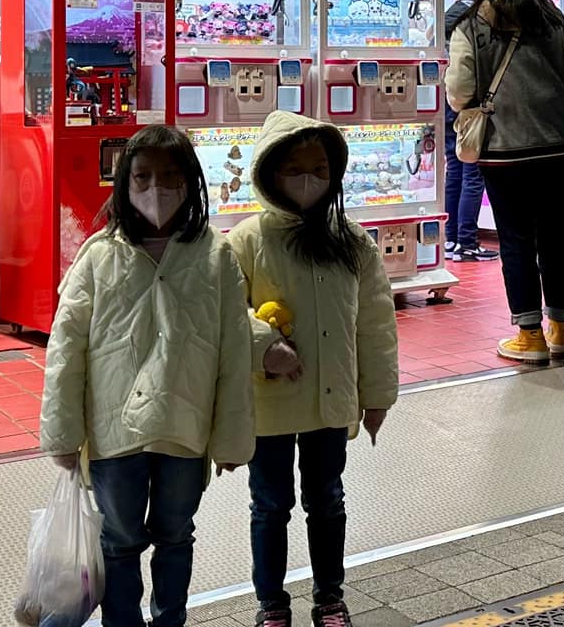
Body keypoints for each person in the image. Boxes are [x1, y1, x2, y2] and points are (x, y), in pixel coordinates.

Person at [39, 125, 255, 627]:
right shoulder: (99, 256)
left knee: (175, 535)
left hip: (185, 429)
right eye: (142, 177)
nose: (156, 188)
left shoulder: (215, 255)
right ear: (125, 182)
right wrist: (63, 435)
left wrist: (231, 438)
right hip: (114, 434)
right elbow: (66, 350)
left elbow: (234, 352)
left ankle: (169, 619)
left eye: (170, 176)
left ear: (190, 181)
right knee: (119, 541)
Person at [230, 110, 400, 627]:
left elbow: (375, 324)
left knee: (327, 500)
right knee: (269, 505)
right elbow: (223, 315)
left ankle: (330, 597)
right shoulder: (247, 241)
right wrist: (263, 344)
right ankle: (271, 603)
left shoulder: (351, 242)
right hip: (269, 405)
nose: (309, 180)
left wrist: (377, 395)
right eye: (295, 169)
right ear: (269, 172)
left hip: (331, 400)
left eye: (320, 169)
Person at [448, 0, 564, 363]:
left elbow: (459, 92)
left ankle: (530, 336)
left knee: (516, 241)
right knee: (555, 240)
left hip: (504, 152)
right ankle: (560, 331)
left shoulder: (471, 27)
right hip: (558, 150)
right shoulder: (554, 22)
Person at [441, 0, 494, 262]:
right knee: (473, 173)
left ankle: (450, 239)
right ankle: (467, 241)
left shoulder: (444, 18)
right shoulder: (472, 22)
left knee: (454, 171)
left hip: (443, 106)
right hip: (468, 108)